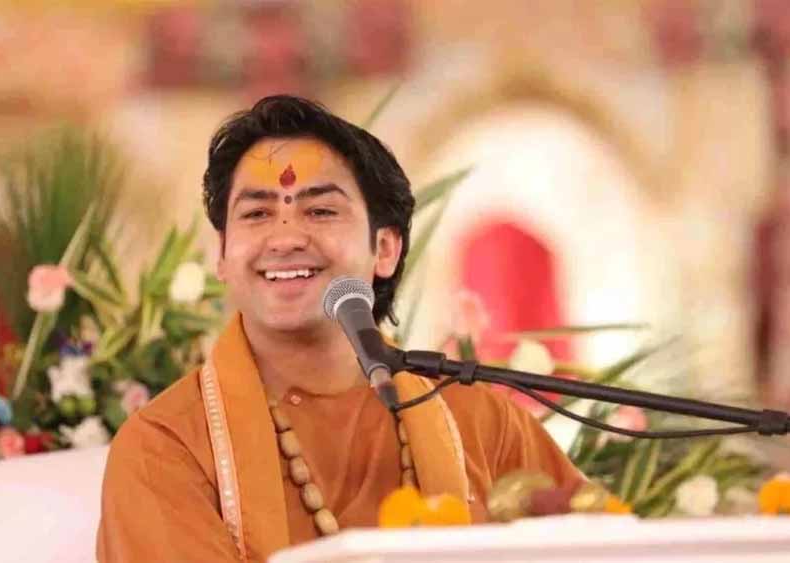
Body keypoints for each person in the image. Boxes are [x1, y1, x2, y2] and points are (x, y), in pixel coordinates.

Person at [96, 95, 583, 562]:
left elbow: (592, 542)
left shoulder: (483, 423)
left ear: (385, 249)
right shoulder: (167, 445)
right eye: (257, 213)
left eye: (320, 211)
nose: (285, 237)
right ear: (222, 254)